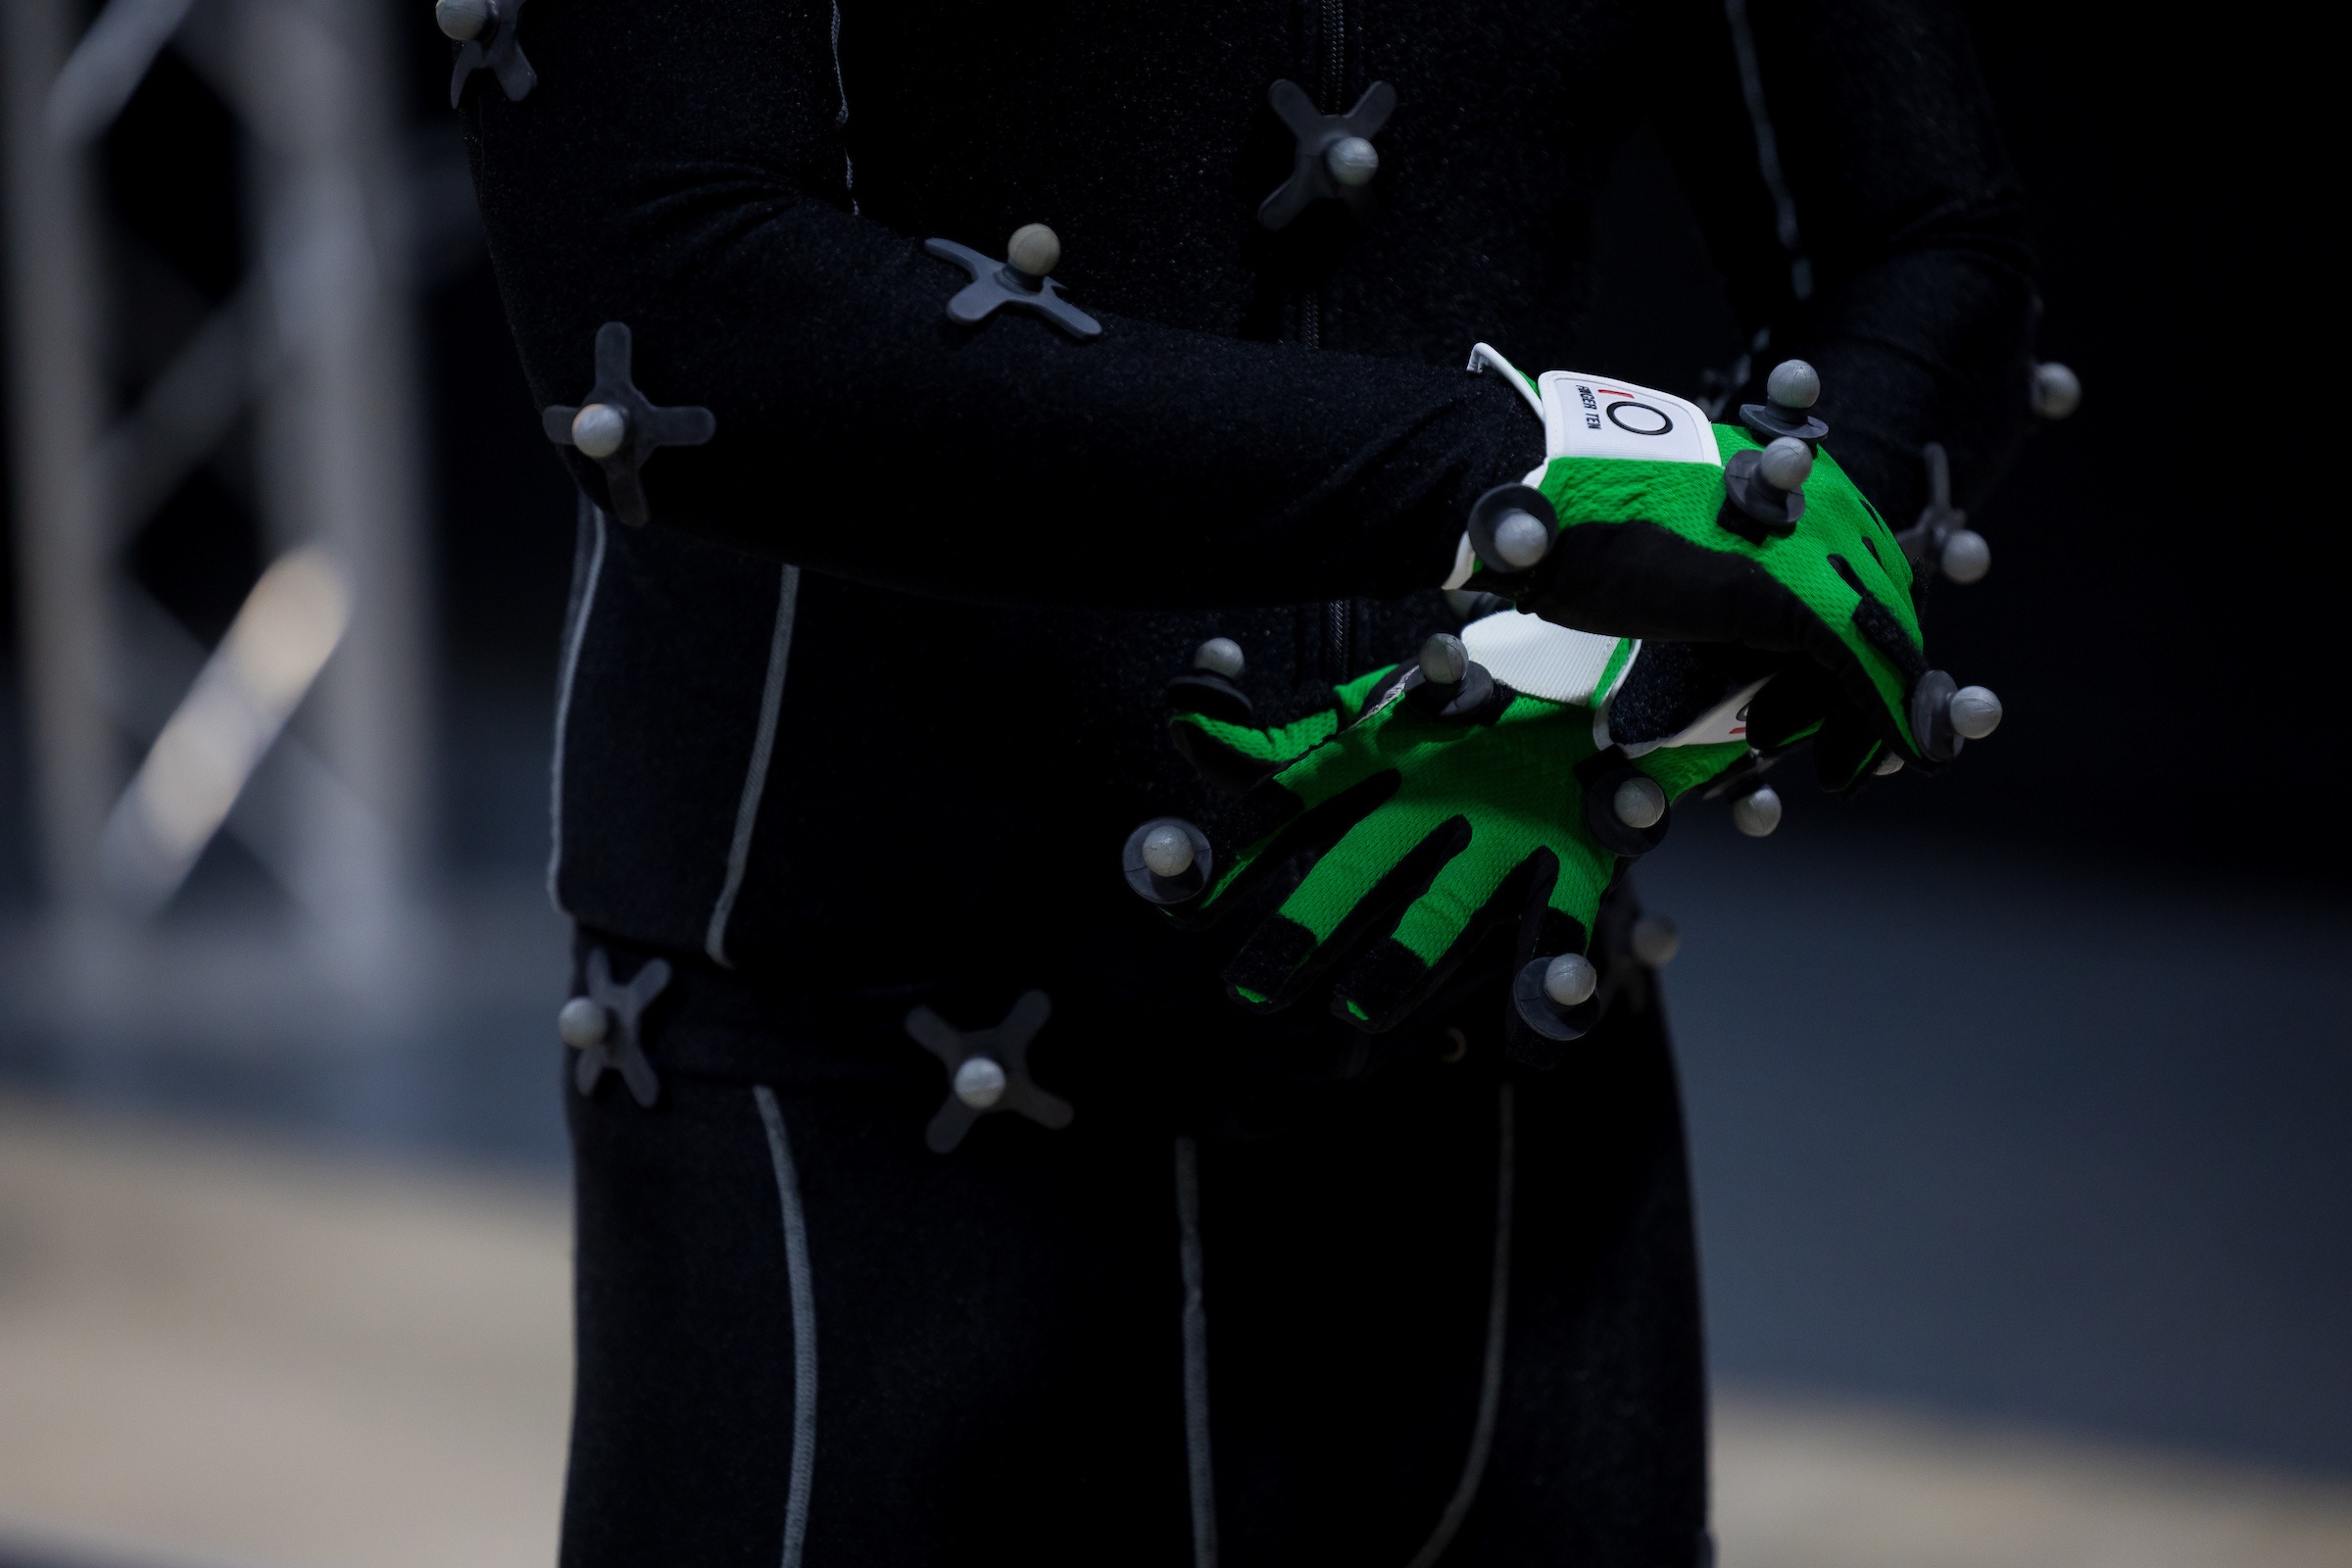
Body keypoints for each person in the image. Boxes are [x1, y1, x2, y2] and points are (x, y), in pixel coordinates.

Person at [447, 0, 2037, 1559]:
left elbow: (1925, 241)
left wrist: (1616, 671)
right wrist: (1520, 480)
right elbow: (663, 294)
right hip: (844, 1097)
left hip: (1500, 1046)